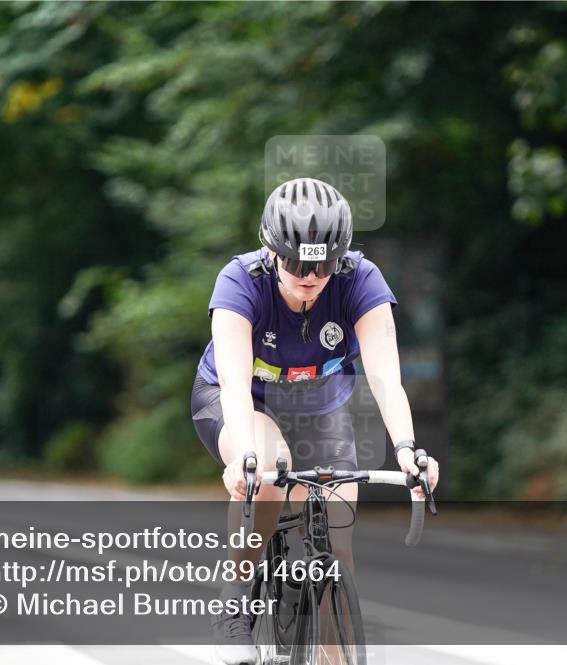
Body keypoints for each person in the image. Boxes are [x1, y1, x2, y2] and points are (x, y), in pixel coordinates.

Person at [190, 177, 440, 665]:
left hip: (319, 408)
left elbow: (387, 379)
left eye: (323, 264)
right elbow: (237, 385)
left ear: (341, 257)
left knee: (337, 551)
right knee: (268, 465)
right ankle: (236, 600)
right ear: (270, 250)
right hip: (241, 403)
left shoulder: (360, 280)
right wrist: (242, 456)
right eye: (296, 262)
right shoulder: (239, 281)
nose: (309, 274)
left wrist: (409, 450)